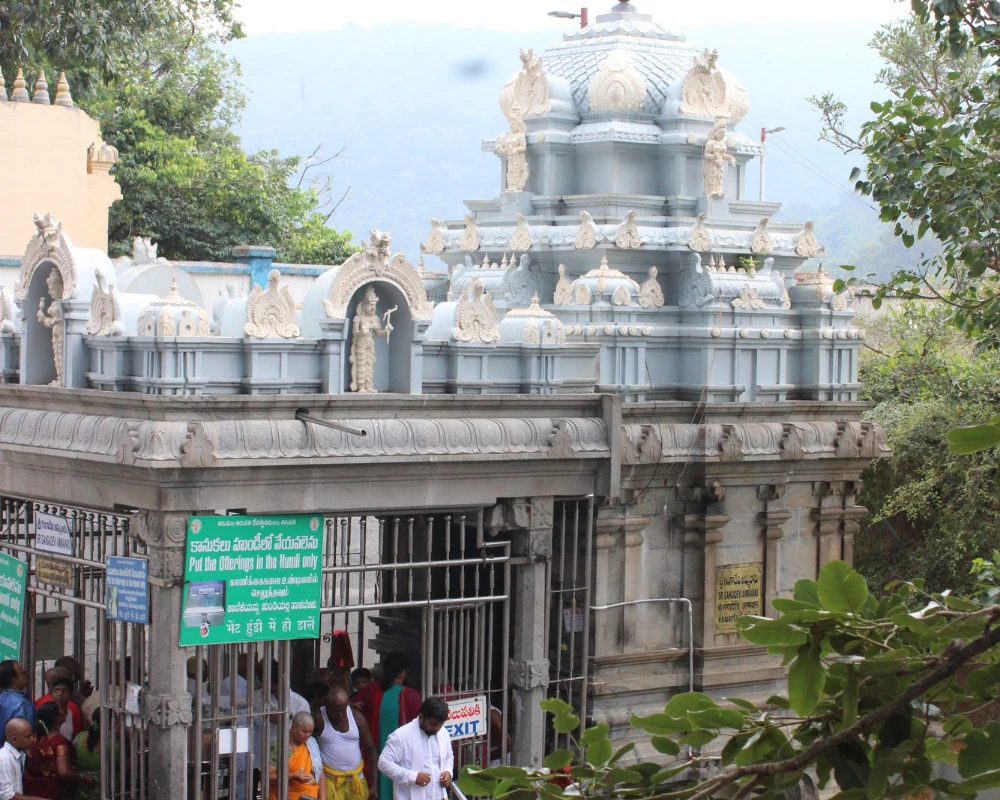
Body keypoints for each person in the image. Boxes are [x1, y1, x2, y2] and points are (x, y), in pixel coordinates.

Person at [351, 653, 420, 800]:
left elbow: (347, 704)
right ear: (403, 672)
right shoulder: (411, 695)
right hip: (404, 757)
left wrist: (352, 705)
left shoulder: (372, 689)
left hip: (377, 754)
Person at [377, 698, 452, 800]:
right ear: (421, 717)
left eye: (440, 725)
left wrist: (448, 771)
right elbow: (383, 763)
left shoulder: (443, 733)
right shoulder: (401, 736)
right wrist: (412, 777)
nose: (436, 728)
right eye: (433, 724)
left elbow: (448, 756)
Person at [314, 688, 377, 800]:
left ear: (348, 704)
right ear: (326, 705)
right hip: (329, 782)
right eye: (336, 711)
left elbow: (371, 751)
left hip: (356, 782)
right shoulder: (318, 718)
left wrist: (374, 785)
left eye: (343, 710)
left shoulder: (356, 717)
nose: (340, 715)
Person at [23, 702, 93, 800]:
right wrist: (82, 777)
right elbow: (63, 772)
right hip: (54, 792)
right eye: (62, 712)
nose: (65, 712)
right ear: (57, 719)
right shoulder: (59, 742)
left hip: (34, 790)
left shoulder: (35, 738)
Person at [269, 711, 319, 800]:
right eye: (304, 731)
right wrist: (292, 776)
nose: (307, 735)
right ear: (293, 728)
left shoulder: (310, 744)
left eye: (310, 732)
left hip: (308, 796)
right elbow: (267, 777)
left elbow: (319, 771)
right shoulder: (280, 746)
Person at [73, 710, 117, 800]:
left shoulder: (78, 738)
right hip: (103, 789)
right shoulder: (112, 744)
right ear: (111, 723)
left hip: (81, 787)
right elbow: (127, 768)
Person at [0, 718, 45, 800]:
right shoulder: (4, 759)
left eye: (32, 735)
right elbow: (8, 796)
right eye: (28, 737)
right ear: (14, 739)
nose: (32, 739)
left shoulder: (20, 755)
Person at [34, 671, 80, 741]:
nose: (60, 694)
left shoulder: (70, 713)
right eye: (57, 691)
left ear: (71, 695)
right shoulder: (46, 713)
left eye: (64, 691)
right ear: (51, 694)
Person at [0, 663, 36, 746]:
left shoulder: (1, 698)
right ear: (14, 681)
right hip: (16, 755)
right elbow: (26, 737)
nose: (26, 675)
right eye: (22, 673)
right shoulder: (22, 704)